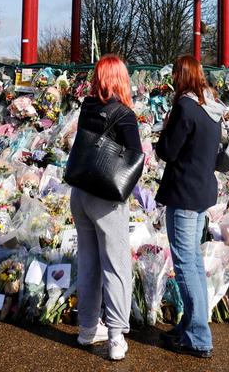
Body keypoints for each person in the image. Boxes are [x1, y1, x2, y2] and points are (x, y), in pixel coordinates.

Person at [69, 55, 142, 362]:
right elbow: (136, 156)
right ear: (120, 79)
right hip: (106, 198)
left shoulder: (86, 107)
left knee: (88, 262)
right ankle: (115, 337)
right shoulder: (124, 115)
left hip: (80, 193)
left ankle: (87, 329)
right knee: (115, 266)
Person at [155, 55, 221, 359]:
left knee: (185, 265)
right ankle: (190, 325)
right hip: (202, 193)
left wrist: (166, 127)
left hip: (183, 195)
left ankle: (198, 337)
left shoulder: (185, 107)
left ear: (182, 76)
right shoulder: (211, 109)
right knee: (193, 262)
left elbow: (167, 151)